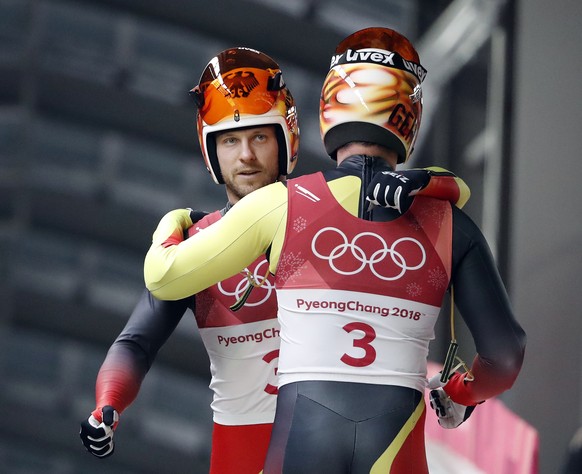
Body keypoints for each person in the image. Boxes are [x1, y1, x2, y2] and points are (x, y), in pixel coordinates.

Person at [143, 27, 526, 473]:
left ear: (329, 105)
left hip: (304, 438)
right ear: (409, 114)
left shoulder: (281, 203)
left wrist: (172, 223)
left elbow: (164, 276)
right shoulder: (449, 222)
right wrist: (460, 393)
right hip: (397, 442)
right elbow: (506, 355)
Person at [79, 46, 463, 473]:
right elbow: (136, 342)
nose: (246, 155)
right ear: (211, 153)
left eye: (260, 137)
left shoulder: (327, 214)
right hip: (244, 454)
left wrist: (427, 180)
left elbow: (440, 200)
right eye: (229, 140)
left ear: (287, 141)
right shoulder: (196, 244)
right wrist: (108, 403)